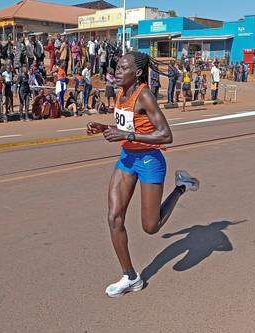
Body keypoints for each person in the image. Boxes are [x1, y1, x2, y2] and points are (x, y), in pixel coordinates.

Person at [85, 51, 199, 298]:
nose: (117, 71)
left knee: (151, 226)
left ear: (136, 73)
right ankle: (131, 277)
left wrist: (126, 136)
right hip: (127, 159)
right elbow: (128, 126)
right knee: (114, 218)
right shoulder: (120, 92)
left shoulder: (144, 95)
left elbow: (166, 135)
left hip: (149, 161)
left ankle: (181, 186)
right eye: (116, 67)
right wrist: (105, 128)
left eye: (122, 68)